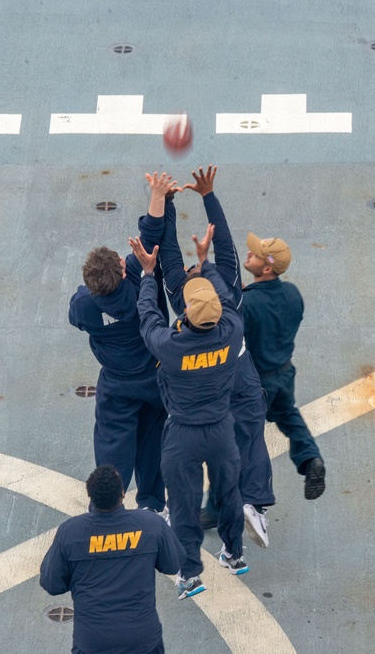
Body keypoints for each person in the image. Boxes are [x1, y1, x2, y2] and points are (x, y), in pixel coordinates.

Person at [130, 220, 249, 601]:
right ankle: (234, 553)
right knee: (229, 494)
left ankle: (191, 574)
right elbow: (227, 297)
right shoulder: (232, 330)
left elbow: (148, 317)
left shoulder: (171, 346)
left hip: (182, 434)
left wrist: (148, 274)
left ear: (186, 313)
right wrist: (206, 262)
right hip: (221, 429)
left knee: (183, 505)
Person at [159, 165, 274, 548]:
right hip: (239, 371)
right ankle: (253, 503)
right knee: (251, 434)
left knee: (193, 447)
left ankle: (183, 510)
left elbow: (168, 255)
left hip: (203, 384)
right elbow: (224, 243)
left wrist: (166, 205)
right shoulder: (229, 290)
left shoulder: (180, 297)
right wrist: (208, 194)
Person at [68, 175, 171, 517]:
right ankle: (152, 506)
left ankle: (106, 509)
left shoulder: (84, 305)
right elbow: (151, 235)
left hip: (116, 384)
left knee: (112, 447)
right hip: (155, 379)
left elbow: (77, 316)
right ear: (123, 271)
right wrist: (158, 194)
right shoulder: (141, 288)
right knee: (153, 442)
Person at [40, 464, 186, 654]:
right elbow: (173, 564)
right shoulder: (151, 525)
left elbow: (52, 583)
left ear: (91, 496)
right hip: (142, 641)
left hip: (92, 643)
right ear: (123, 494)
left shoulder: (69, 532)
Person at [242, 233, 326, 499]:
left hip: (257, 383)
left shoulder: (248, 302)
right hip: (284, 374)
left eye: (255, 254)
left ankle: (218, 508)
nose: (248, 254)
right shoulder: (292, 293)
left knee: (240, 441)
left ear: (267, 268)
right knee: (288, 414)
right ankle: (310, 458)